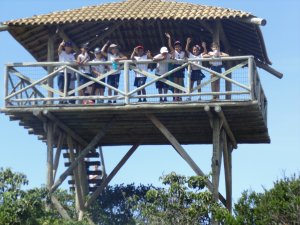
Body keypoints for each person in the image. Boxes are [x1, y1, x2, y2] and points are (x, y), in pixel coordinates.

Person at [165, 33, 186, 101]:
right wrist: (169, 38)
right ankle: (175, 97)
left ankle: (180, 97)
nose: (177, 47)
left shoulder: (183, 53)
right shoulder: (173, 52)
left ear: (181, 47)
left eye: (178, 46)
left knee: (180, 83)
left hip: (181, 67)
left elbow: (185, 58)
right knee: (175, 84)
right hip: (175, 67)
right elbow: (169, 45)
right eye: (176, 46)